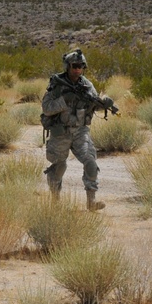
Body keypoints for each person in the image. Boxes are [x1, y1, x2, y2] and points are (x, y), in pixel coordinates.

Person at [40, 49, 116, 211]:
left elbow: (93, 103)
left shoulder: (87, 85)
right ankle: (55, 202)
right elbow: (46, 108)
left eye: (81, 66)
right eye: (74, 66)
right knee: (59, 166)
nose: (77, 69)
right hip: (61, 131)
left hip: (81, 131)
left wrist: (104, 104)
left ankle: (91, 201)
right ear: (68, 66)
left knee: (91, 162)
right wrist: (63, 100)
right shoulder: (57, 85)